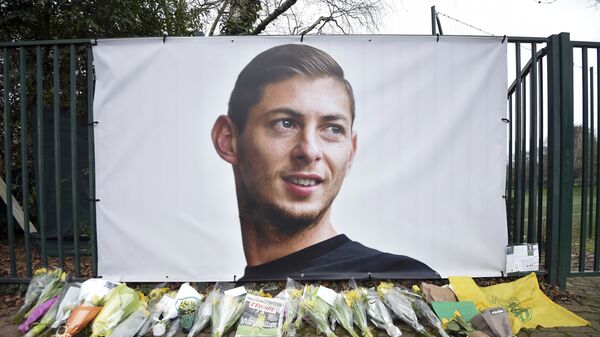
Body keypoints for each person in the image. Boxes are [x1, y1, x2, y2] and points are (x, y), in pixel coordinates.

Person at [211, 44, 439, 281]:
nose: (309, 151)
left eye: (332, 129)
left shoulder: (403, 280)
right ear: (227, 140)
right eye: (285, 124)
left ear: (351, 153)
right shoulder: (212, 301)